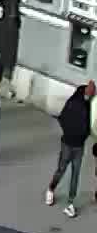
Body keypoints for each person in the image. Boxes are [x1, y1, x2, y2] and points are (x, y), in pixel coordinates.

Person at [47, 81, 93, 217]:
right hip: (67, 143)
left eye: (91, 95)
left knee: (76, 174)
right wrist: (69, 132)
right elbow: (62, 118)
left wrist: (84, 134)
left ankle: (71, 203)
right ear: (84, 92)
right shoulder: (73, 102)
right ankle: (51, 189)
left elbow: (88, 122)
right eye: (88, 95)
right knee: (61, 169)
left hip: (79, 146)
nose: (89, 97)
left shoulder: (88, 104)